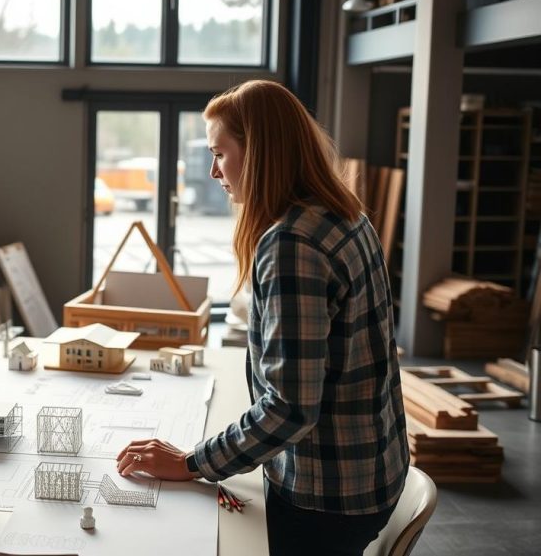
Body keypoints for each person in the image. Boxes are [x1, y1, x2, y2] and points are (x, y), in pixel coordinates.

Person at [116, 80, 409, 556]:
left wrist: (193, 462)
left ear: (258, 153)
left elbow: (290, 408)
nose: (213, 171)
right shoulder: (343, 213)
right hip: (372, 472)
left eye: (220, 153)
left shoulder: (292, 243)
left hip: (328, 499)